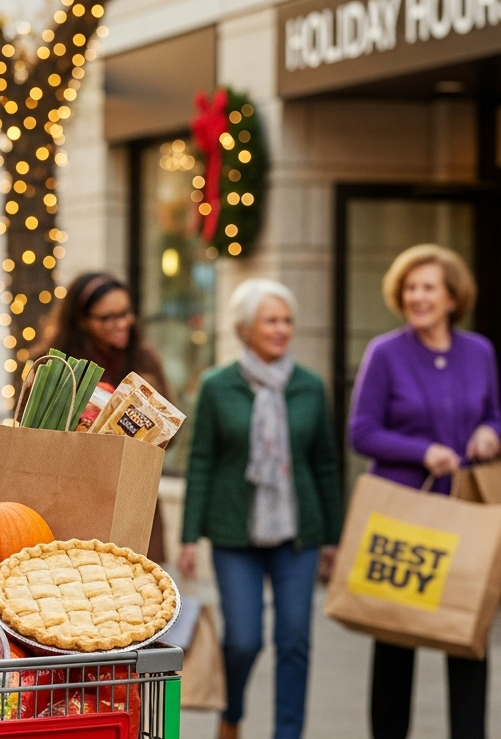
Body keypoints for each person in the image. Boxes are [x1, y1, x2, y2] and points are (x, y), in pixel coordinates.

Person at [348, 244, 501, 739]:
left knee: (469, 632)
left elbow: (493, 414)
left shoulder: (480, 352)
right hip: (404, 514)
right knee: (396, 638)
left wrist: (490, 432)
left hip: (464, 515)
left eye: (428, 287)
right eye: (410, 288)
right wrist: (422, 452)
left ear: (453, 296)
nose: (418, 296)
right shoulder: (385, 354)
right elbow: (361, 431)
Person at [177, 279, 341, 739]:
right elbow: (201, 462)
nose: (282, 329)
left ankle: (288, 733)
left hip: (297, 534)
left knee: (294, 640)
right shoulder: (217, 385)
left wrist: (333, 536)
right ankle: (231, 712)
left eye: (287, 320)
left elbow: (325, 463)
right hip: (234, 534)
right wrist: (189, 536)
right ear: (245, 329)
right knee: (243, 639)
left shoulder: (309, 386)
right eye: (271, 320)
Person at [38, 272, 172, 562]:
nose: (122, 323)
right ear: (82, 320)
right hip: (70, 502)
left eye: (125, 313)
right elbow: (35, 435)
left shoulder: (144, 361)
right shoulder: (55, 365)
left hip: (134, 500)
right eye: (108, 317)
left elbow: (170, 437)